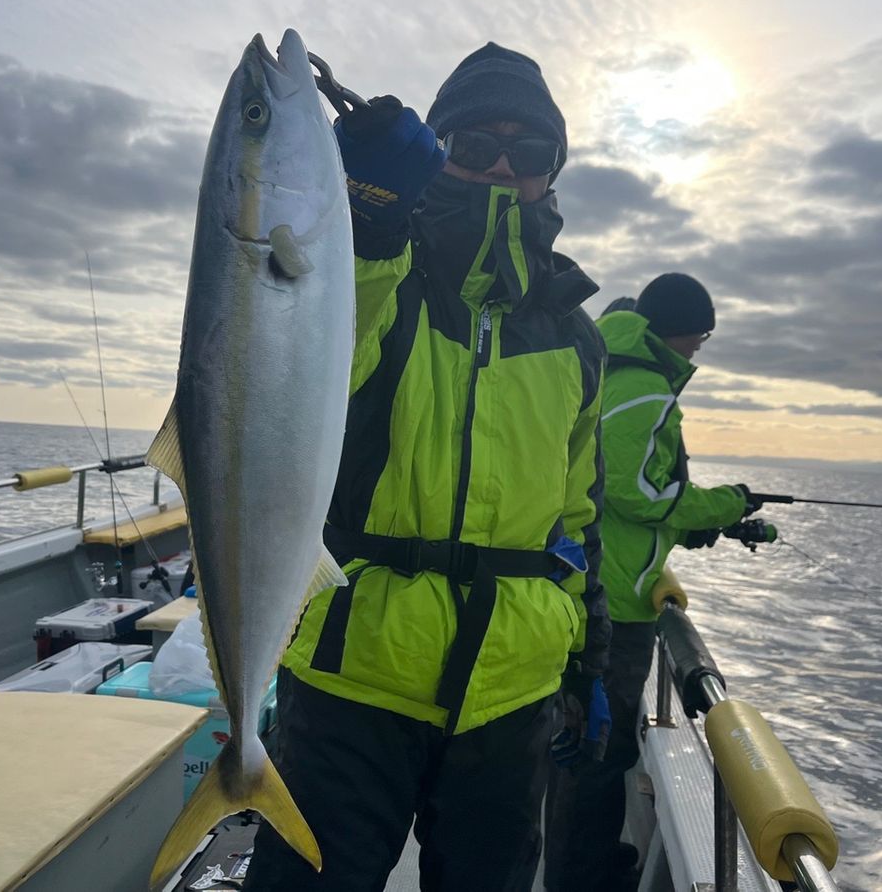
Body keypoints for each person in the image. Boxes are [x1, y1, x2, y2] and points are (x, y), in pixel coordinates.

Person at [245, 44, 610, 891]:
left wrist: (588, 667)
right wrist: (367, 222)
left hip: (511, 695)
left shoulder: (577, 340)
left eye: (528, 154)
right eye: (474, 145)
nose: (500, 168)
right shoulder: (380, 276)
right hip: (352, 676)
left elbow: (577, 523)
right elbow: (303, 368)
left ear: (551, 175)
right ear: (439, 152)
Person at [544, 273, 764, 890]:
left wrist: (691, 523)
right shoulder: (646, 390)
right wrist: (724, 504)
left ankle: (580, 865)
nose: (701, 346)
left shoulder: (612, 368)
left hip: (589, 581)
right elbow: (635, 491)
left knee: (580, 746)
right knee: (599, 752)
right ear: (680, 328)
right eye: (702, 334)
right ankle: (580, 876)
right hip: (616, 602)